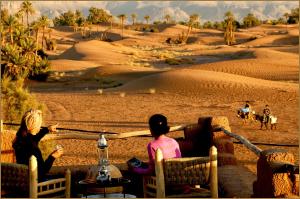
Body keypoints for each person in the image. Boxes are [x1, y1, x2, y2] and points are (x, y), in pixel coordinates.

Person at [127, 114, 183, 196]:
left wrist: (135, 170)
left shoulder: (152, 145)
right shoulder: (174, 141)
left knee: (134, 179)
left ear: (151, 129)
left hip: (164, 184)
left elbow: (151, 170)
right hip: (179, 179)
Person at [12, 109, 63, 182]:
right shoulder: (32, 148)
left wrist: (47, 129)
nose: (40, 127)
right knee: (70, 180)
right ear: (35, 126)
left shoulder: (20, 138)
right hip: (36, 184)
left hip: (24, 182)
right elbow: (42, 171)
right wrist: (52, 156)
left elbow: (34, 138)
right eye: (39, 124)